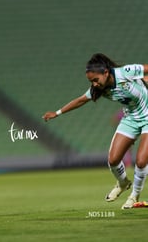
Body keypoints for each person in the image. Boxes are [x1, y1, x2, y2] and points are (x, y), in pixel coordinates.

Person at [42, 53, 148, 209]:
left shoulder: (125, 72)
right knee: (113, 160)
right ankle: (123, 183)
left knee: (141, 161)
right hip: (131, 118)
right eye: (91, 81)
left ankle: (134, 196)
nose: (94, 84)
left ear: (106, 72)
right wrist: (57, 113)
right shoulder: (98, 89)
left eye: (96, 80)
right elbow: (80, 100)